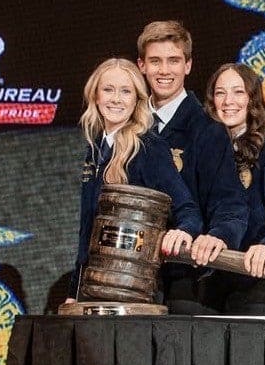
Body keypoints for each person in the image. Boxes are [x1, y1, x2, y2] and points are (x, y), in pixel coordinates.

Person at [65, 58, 202, 302]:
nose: (116, 99)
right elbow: (88, 229)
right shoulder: (96, 149)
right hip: (94, 288)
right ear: (95, 96)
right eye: (108, 89)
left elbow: (188, 209)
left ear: (137, 100)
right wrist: (74, 292)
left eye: (125, 91)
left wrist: (182, 231)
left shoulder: (149, 147)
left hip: (133, 292)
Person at [136, 21, 248, 313]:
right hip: (128, 272)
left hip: (184, 279)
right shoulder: (127, 126)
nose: (164, 70)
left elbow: (230, 204)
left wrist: (218, 236)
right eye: (155, 61)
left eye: (173, 60)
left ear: (187, 65)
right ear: (141, 66)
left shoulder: (208, 131)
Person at [192, 63, 265, 313]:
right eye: (220, 93)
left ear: (252, 99)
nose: (228, 101)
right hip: (213, 274)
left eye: (238, 92)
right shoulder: (201, 149)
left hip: (260, 280)